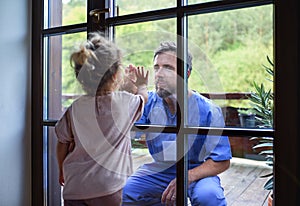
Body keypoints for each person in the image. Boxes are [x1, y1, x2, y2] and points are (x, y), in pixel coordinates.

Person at [122, 41, 232, 206]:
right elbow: (129, 132)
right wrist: (128, 93)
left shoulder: (209, 110)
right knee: (127, 192)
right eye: (156, 67)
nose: (159, 73)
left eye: (168, 67)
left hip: (198, 171)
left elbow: (222, 161)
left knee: (209, 197)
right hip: (160, 169)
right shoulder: (147, 102)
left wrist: (187, 177)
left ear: (186, 73)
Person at [55, 32, 149, 206]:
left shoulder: (75, 108)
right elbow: (143, 98)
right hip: (109, 187)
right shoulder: (124, 102)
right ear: (115, 76)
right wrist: (141, 85)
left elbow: (62, 142)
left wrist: (62, 169)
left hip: (75, 187)